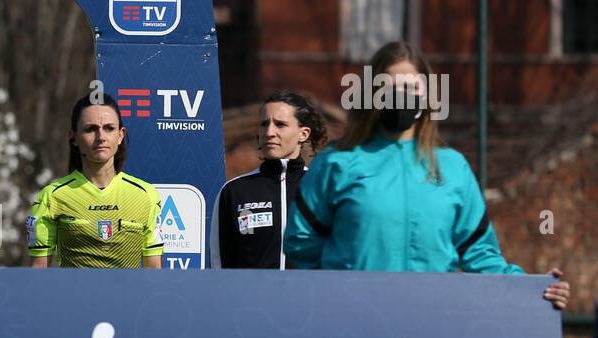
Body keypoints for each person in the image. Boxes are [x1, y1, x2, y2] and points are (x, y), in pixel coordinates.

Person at [284, 40, 569, 309]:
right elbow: (300, 243)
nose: (401, 96)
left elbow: (479, 254)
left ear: (427, 94)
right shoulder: (336, 163)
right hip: (356, 320)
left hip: (433, 321)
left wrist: (534, 288)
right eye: (390, 87)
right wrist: (345, 281)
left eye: (411, 87)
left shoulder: (453, 168)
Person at [28, 95, 164, 268]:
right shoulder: (51, 196)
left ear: (120, 135)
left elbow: (154, 274)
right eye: (90, 129)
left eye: (109, 128)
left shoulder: (146, 195)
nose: (101, 137)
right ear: (73, 137)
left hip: (130, 295)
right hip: (73, 295)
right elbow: (38, 273)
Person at [211, 90, 328, 269]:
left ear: (303, 134)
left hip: (310, 295)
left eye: (280, 124)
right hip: (252, 296)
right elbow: (219, 264)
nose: (269, 132)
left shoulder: (321, 188)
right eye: (264, 124)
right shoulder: (234, 191)